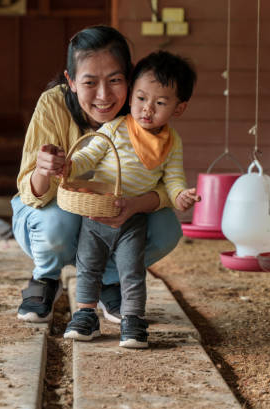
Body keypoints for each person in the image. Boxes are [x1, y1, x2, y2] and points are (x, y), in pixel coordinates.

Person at [12, 26, 182, 325]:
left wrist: (135, 206)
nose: (104, 96)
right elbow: (31, 194)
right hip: (55, 210)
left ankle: (106, 279)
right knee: (57, 223)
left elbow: (167, 185)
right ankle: (46, 277)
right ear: (71, 81)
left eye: (115, 80)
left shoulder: (141, 109)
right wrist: (43, 170)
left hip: (117, 213)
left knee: (167, 227)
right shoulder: (53, 104)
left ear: (129, 78)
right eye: (90, 82)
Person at [63, 50, 199, 348]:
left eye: (160, 103)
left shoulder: (172, 143)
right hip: (97, 214)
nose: (147, 109)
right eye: (140, 98)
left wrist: (181, 195)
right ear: (131, 96)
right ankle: (85, 315)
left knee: (132, 271)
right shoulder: (116, 127)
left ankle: (132, 320)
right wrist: (70, 165)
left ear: (179, 108)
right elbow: (89, 155)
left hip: (132, 219)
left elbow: (173, 179)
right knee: (88, 266)